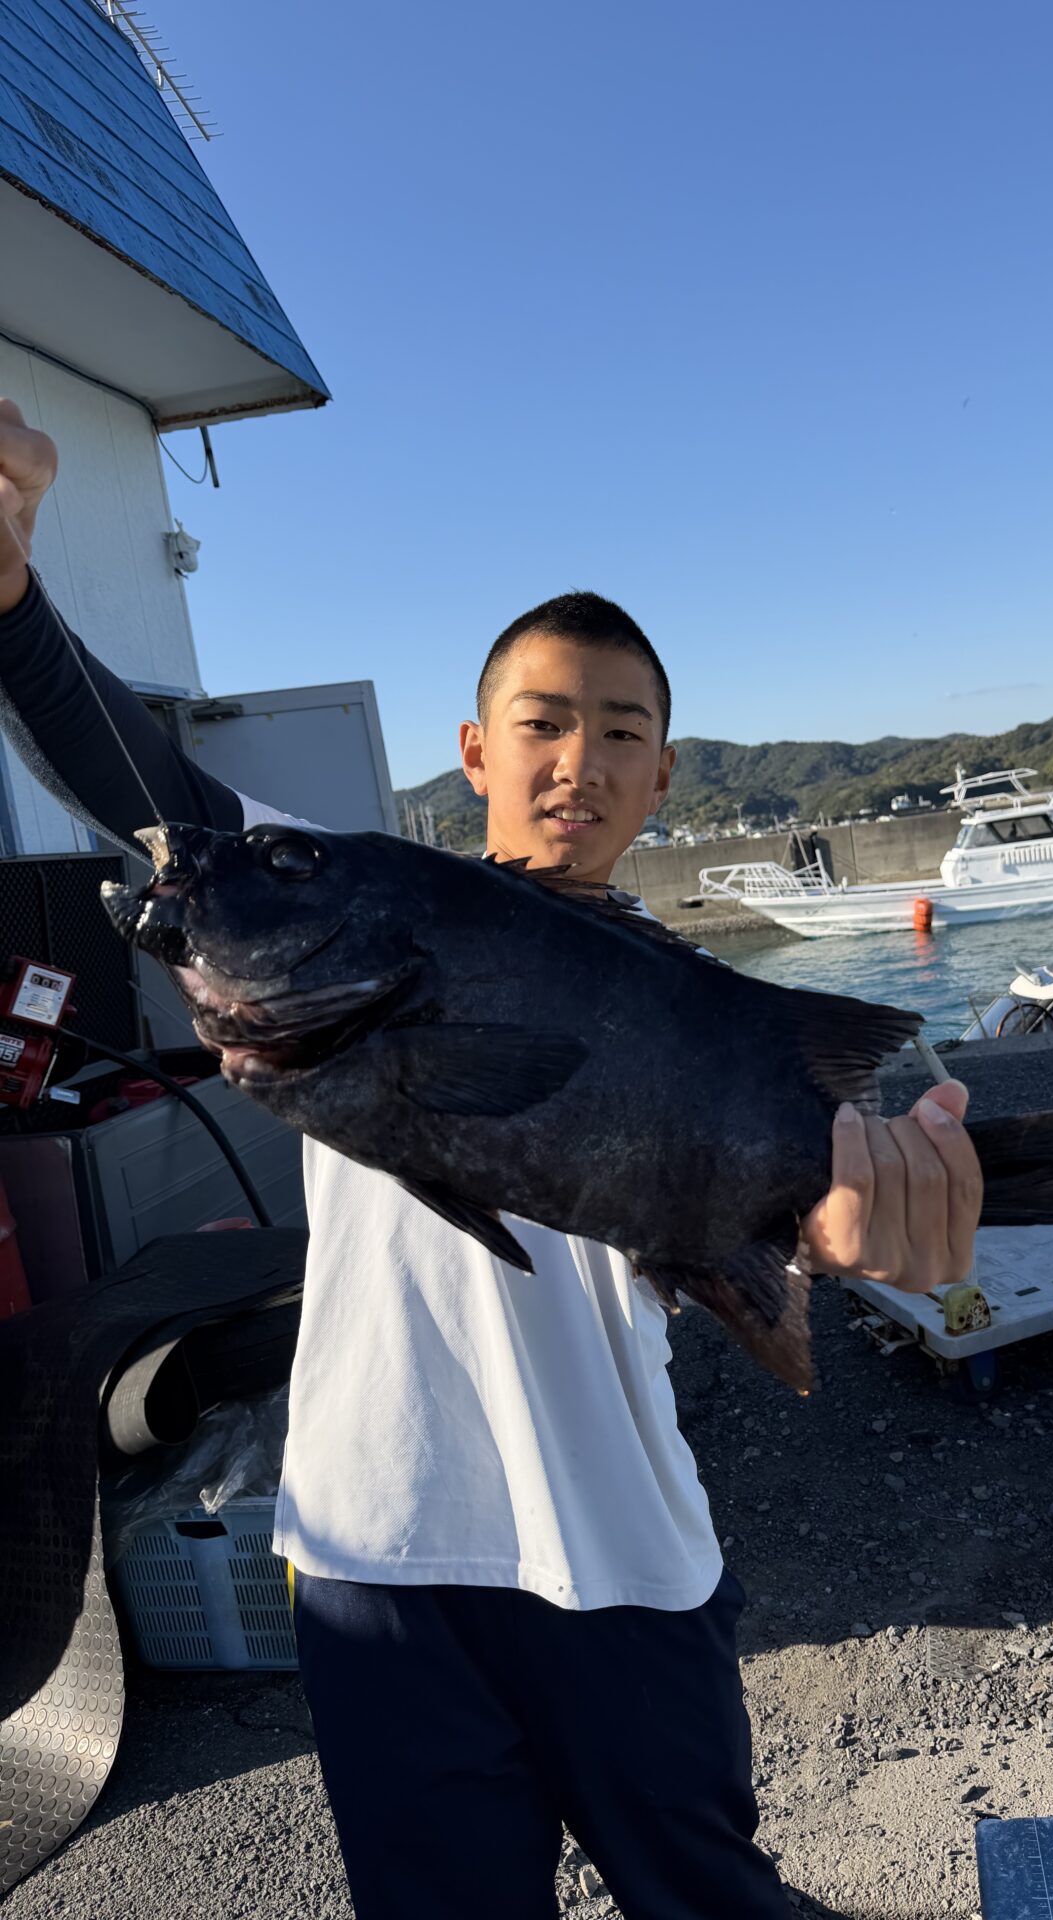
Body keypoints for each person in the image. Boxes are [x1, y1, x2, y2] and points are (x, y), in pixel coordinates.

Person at [0, 398, 982, 1919]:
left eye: (622, 731)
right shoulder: (350, 889)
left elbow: (803, 1198)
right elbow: (132, 777)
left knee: (709, 1896)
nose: (579, 761)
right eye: (542, 722)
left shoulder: (701, 1006)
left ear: (664, 775)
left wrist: (860, 1227)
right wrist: (11, 596)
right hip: (375, 1547)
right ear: (474, 752)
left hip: (625, 1544)